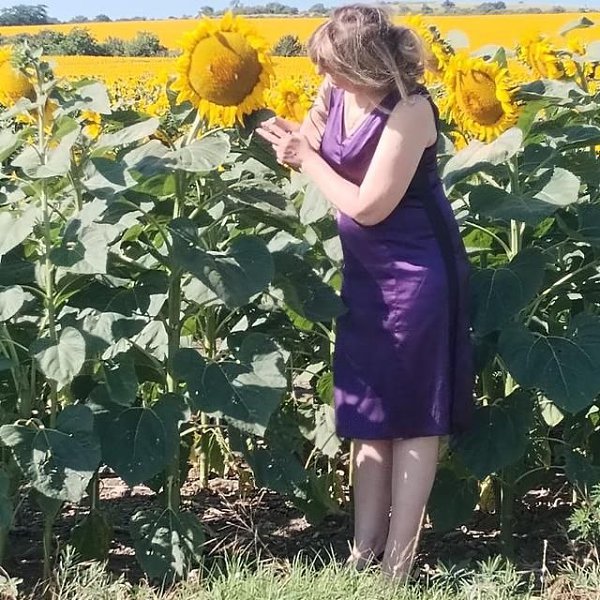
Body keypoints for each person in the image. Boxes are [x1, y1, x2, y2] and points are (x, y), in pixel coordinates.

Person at [257, 3, 474, 579]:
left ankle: (397, 567)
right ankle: (362, 553)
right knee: (367, 412)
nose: (322, 75)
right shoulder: (335, 94)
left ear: (365, 63)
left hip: (418, 275)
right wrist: (283, 137)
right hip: (366, 276)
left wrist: (306, 160)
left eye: (332, 64)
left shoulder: (411, 110)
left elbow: (368, 205)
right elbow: (311, 147)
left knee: (415, 417)